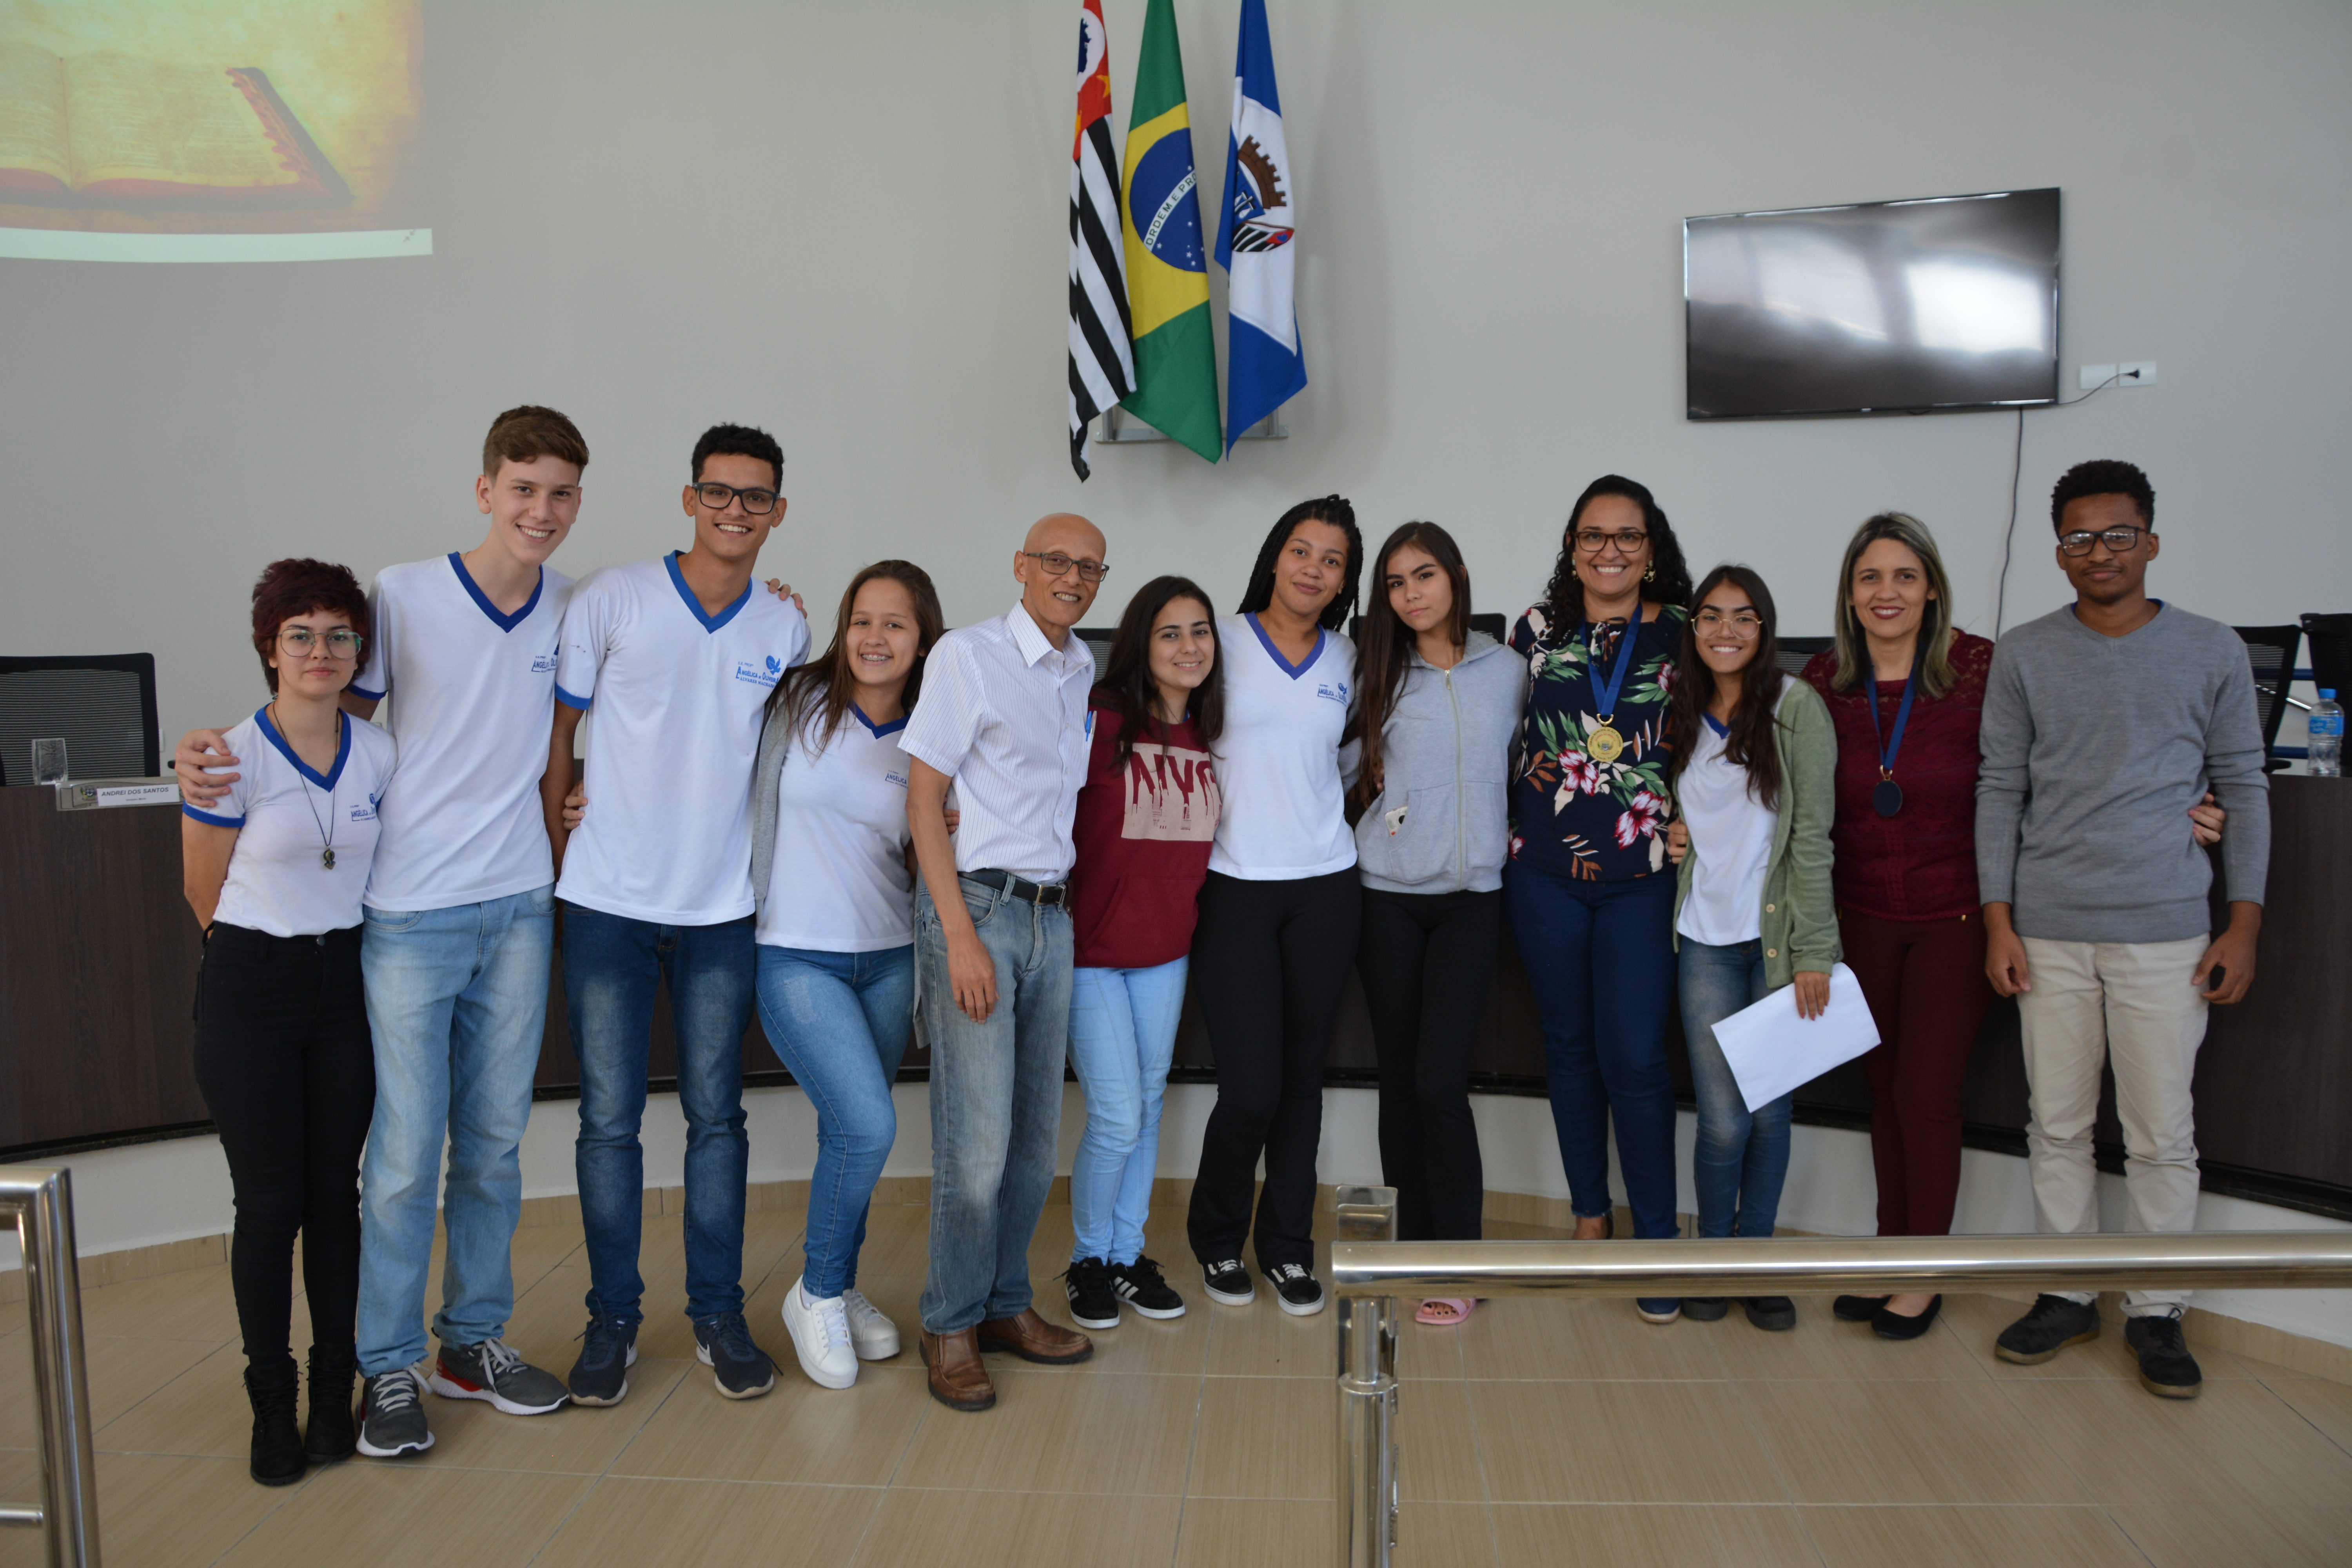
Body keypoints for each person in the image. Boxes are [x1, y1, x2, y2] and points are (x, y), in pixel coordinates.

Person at [172, 408, 589, 1458]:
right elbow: (319, 711)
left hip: (519, 908)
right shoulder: (401, 594)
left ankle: (471, 1344)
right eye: (524, 489)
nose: (542, 511)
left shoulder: (570, 608)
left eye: (562, 493)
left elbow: (557, 743)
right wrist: (219, 760)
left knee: (493, 1147)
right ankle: (389, 1368)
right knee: (403, 1157)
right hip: (409, 915)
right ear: (487, 489)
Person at [1978, 459, 2269, 1400]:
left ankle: (2158, 1307)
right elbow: (2001, 791)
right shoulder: (2023, 653)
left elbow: (2248, 789)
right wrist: (1999, 921)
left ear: (2149, 540)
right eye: (2078, 538)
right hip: (2050, 929)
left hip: (2167, 932)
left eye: (2116, 535)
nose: (2098, 553)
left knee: (2159, 1133)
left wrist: (2243, 924)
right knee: (2056, 1125)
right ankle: (2066, 1290)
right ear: (2058, 551)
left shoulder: (2213, 649)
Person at [541, 424, 810, 1404]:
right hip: (607, 901)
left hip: (719, 910)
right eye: (719, 491)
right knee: (609, 1123)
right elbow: (560, 739)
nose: (735, 509)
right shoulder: (608, 596)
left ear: (778, 512)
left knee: (715, 1120)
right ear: (689, 498)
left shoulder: (787, 629)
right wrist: (562, 846)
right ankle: (612, 1319)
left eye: (755, 497)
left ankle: (717, 1315)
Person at [179, 559, 398, 1485]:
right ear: (271, 648)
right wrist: (266, 961)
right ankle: (271, 1396)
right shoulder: (229, 754)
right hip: (250, 983)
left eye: (341, 634)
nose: (322, 650)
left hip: (343, 982)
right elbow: (202, 890)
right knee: (267, 1207)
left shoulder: (380, 751)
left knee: (334, 1200)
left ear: (359, 651)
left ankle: (331, 1387)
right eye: (301, 633)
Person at [899, 514, 1107, 1411]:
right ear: (1022, 566)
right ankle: (948, 1320)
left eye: (1091, 567)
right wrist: (957, 932)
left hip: (1051, 916)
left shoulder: (1079, 668)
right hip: (978, 908)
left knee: (1031, 1146)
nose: (1073, 576)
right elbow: (922, 799)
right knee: (976, 1149)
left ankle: (1004, 1304)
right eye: (1057, 560)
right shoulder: (967, 654)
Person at [1503, 475, 1693, 1324]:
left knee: (1638, 1057)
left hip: (1643, 877)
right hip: (1542, 869)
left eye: (1628, 535)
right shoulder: (1535, 631)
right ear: (1572, 544)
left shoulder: (1690, 635)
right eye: (1594, 535)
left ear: (1653, 547)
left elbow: (1726, 744)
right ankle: (1591, 1214)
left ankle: (1657, 1237)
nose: (1610, 549)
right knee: (1570, 1046)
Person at [751, 561, 942, 1388]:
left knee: (847, 1134)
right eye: (861, 619)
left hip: (890, 957)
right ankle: (817, 1291)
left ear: (923, 638)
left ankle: (841, 1281)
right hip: (794, 950)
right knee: (868, 1126)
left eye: (895, 624)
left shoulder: (934, 730)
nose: (874, 637)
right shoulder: (794, 701)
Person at [1187, 496, 1364, 1317]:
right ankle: (1217, 1233)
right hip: (1233, 886)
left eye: (1331, 559)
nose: (1313, 569)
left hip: (1326, 885)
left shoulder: (1351, 659)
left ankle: (1288, 1245)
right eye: (1301, 550)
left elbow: (1360, 759)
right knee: (1251, 1085)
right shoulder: (1212, 641)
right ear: (1274, 556)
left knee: (1303, 1081)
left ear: (1344, 579)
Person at [1342, 521, 1521, 1327]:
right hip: (1385, 893)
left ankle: (1460, 1256)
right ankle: (1412, 1250)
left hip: (1472, 898)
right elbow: (1339, 771)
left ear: (1456, 577)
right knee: (1401, 1083)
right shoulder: (1373, 671)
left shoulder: (1508, 670)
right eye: (1394, 582)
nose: (1410, 593)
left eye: (1424, 575)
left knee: (1443, 1082)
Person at [1662, 565, 1837, 1333]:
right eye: (1711, 616)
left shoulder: (1798, 708)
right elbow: (1659, 805)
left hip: (1776, 947)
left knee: (1769, 1113)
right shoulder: (1676, 708)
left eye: (1743, 617)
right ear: (1694, 627)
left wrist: (1815, 952)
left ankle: (1756, 1260)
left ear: (1764, 629)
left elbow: (1812, 840)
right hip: (1702, 939)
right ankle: (1714, 1260)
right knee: (1723, 1121)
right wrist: (1670, 834)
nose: (1725, 630)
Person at [1062, 576, 1223, 1331]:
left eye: (1200, 632)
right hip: (1092, 953)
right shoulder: (1099, 718)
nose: (1189, 648)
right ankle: (1088, 1259)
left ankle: (1128, 1257)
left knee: (1148, 1105)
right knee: (1118, 1116)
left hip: (1167, 951)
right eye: (1170, 633)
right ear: (1140, 644)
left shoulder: (1212, 733)